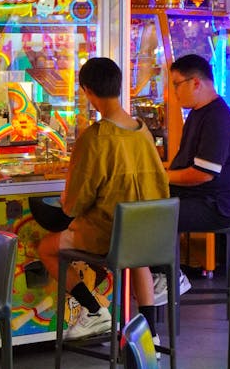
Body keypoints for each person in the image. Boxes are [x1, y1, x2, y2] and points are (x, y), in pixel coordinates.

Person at [37, 57, 168, 342]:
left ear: (87, 90)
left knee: (47, 248)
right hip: (147, 232)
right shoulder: (143, 131)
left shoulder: (95, 137)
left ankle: (95, 310)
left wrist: (66, 200)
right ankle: (151, 336)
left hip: (107, 235)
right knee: (138, 259)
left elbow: (75, 204)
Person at [165, 53, 230, 234]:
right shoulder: (198, 113)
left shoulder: (217, 118)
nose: (174, 92)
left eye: (176, 84)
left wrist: (162, 177)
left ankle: (153, 256)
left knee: (147, 215)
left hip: (216, 205)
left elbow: (203, 174)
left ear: (195, 83)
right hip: (199, 197)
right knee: (141, 204)